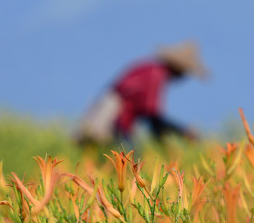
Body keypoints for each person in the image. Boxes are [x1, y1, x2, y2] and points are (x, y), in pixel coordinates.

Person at [75, 40, 209, 146]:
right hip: (113, 117)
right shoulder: (156, 75)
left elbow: (151, 117)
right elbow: (153, 117)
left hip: (115, 116)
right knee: (126, 160)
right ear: (178, 68)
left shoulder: (152, 70)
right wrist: (183, 133)